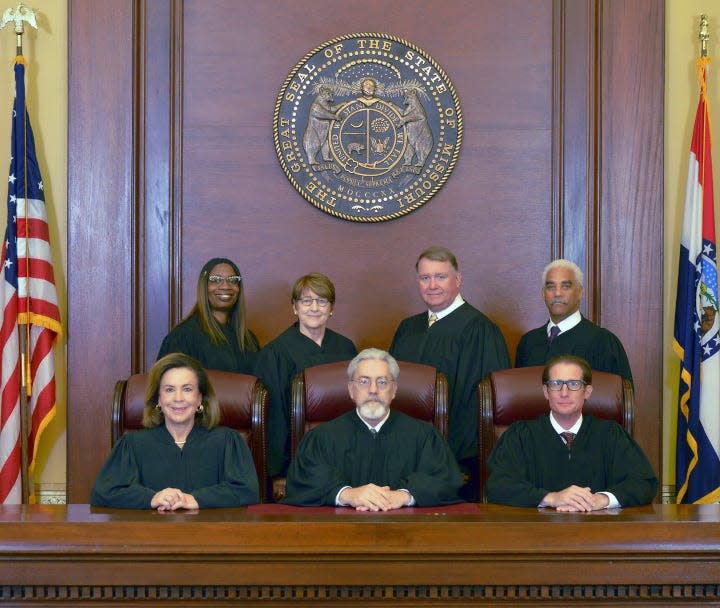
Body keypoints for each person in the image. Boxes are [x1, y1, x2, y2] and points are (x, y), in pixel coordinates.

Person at [389, 246, 510, 501]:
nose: (432, 285)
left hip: (453, 462)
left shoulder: (480, 330)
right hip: (403, 455)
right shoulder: (408, 328)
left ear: (458, 279)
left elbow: (479, 406)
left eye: (440, 277)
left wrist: (443, 457)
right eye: (425, 278)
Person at [283, 348, 464, 509]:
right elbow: (303, 480)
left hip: (408, 534)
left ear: (394, 390)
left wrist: (404, 495)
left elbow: (444, 480)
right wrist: (347, 494)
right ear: (351, 389)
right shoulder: (321, 438)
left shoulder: (424, 436)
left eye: (382, 382)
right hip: (339, 535)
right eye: (363, 381)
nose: (373, 390)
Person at [486, 355, 657, 511]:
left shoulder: (611, 435)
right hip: (536, 536)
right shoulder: (520, 436)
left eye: (574, 384)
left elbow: (644, 483)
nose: (564, 393)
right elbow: (497, 485)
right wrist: (551, 498)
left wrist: (602, 499)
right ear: (546, 392)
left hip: (600, 535)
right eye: (556, 384)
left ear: (587, 392)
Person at [91, 353, 260, 509]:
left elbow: (247, 492)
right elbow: (103, 493)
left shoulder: (227, 441)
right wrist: (152, 498)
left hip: (210, 537)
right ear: (159, 399)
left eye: (187, 389)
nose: (178, 398)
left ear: (200, 398)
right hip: (150, 537)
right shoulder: (132, 445)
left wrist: (195, 499)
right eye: (169, 389)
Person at [254, 273, 357, 500]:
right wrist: (280, 472)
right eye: (306, 301)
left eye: (322, 301)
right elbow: (275, 418)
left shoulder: (346, 348)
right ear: (294, 307)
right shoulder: (275, 353)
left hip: (344, 455)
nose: (314, 308)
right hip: (299, 461)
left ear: (331, 308)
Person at [515, 259, 633, 383]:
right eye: (551, 287)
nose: (557, 293)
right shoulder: (528, 343)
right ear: (543, 294)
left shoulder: (603, 342)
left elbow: (617, 398)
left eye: (566, 286)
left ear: (580, 292)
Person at [157, 257, 260, 373]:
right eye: (215, 280)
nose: (225, 286)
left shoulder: (249, 340)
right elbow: (169, 386)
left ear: (239, 288)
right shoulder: (183, 337)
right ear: (204, 287)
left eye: (232, 280)